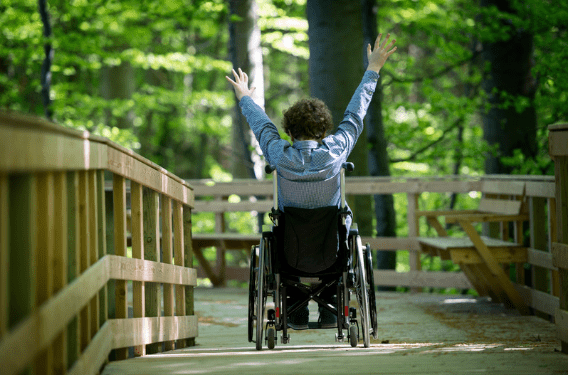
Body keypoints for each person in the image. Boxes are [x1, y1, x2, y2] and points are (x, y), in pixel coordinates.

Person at [226, 33, 397, 330]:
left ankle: (295, 313)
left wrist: (245, 98)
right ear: (325, 131)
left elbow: (262, 126)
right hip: (332, 249)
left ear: (289, 133)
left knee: (281, 232)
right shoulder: (336, 150)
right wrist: (374, 69)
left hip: (290, 253)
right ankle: (332, 312)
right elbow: (357, 113)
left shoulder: (279, 154)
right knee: (340, 230)